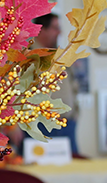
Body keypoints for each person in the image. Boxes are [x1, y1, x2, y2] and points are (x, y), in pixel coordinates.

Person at [32, 13, 80, 154]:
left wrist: (75, 113)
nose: (59, 32)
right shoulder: (28, 55)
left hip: (67, 125)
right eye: (55, 28)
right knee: (39, 173)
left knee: (71, 171)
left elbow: (72, 85)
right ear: (42, 29)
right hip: (41, 126)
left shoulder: (60, 55)